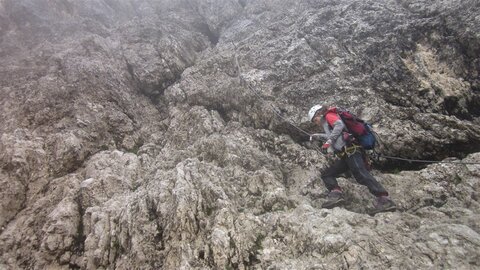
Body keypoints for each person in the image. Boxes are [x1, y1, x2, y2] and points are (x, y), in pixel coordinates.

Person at [308, 104, 397, 215]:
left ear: (318, 114)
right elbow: (335, 134)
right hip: (346, 155)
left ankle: (384, 199)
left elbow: (339, 126)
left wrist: (328, 142)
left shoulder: (328, 116)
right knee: (327, 174)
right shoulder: (327, 122)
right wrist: (317, 135)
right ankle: (336, 194)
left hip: (352, 151)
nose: (316, 123)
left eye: (314, 120)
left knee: (361, 174)